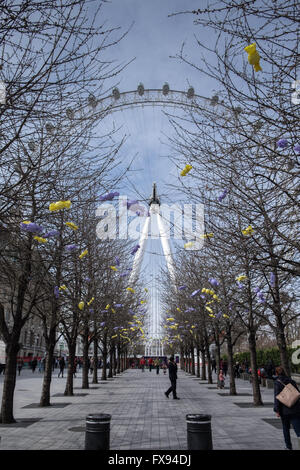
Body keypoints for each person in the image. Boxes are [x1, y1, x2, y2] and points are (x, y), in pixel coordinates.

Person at [273, 366, 300, 450]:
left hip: (284, 410)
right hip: (295, 408)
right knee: (298, 429)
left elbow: (277, 397)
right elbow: (297, 393)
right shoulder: (291, 381)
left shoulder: (277, 382)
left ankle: (288, 446)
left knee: (286, 429)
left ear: (276, 373)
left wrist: (277, 410)